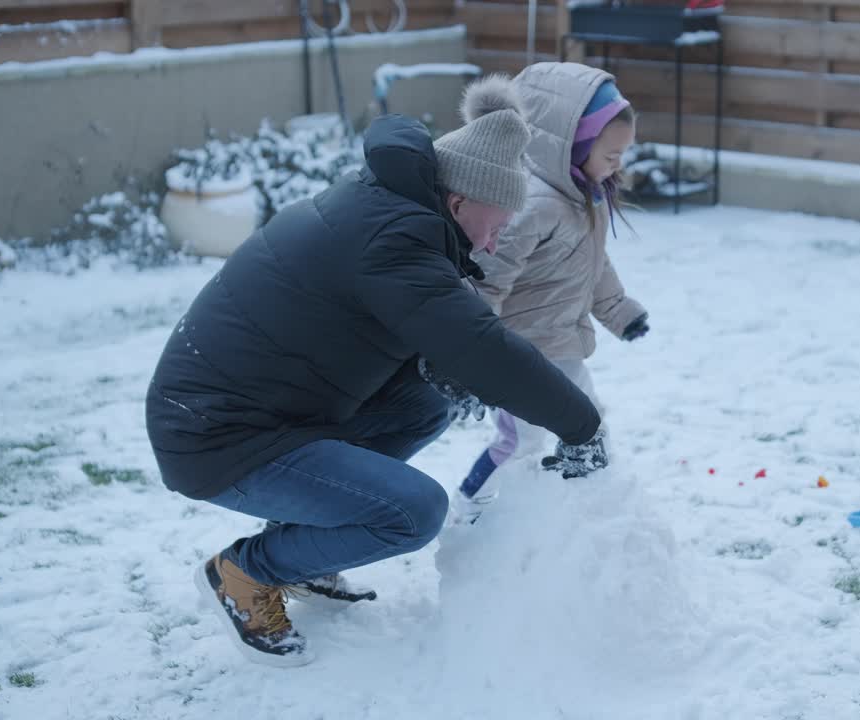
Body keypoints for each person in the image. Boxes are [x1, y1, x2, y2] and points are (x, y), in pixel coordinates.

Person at [145, 76, 607, 667]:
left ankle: (305, 552)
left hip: (260, 409)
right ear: (459, 203)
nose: (492, 245)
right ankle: (244, 574)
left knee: (426, 402)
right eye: (495, 224)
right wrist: (580, 424)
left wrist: (435, 365)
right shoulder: (396, 241)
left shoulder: (387, 206)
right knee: (413, 512)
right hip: (217, 436)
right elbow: (479, 344)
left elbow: (368, 326)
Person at [453, 63, 647, 525]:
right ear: (570, 144)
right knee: (520, 441)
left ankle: (569, 517)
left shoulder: (584, 197)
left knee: (588, 423)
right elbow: (487, 280)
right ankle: (471, 506)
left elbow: (592, 265)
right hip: (516, 353)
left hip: (561, 346)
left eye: (624, 154)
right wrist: (475, 358)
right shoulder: (533, 205)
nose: (618, 164)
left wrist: (620, 311)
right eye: (612, 154)